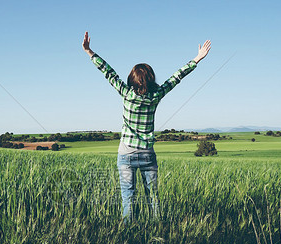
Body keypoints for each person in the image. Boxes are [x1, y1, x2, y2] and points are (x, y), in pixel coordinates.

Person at [82, 31, 211, 220]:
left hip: (125, 154)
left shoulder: (126, 93)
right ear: (151, 79)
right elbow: (177, 77)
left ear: (132, 80)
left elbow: (107, 71)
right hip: (147, 154)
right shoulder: (156, 95)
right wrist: (197, 59)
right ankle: (157, 230)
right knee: (153, 198)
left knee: (128, 197)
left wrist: (89, 51)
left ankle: (129, 236)